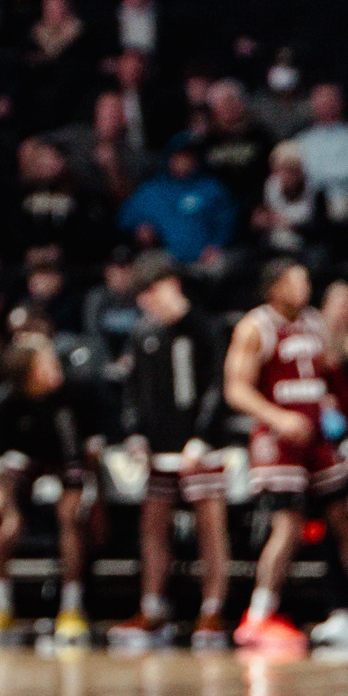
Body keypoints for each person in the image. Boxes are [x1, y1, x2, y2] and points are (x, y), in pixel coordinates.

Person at [225, 259, 348, 655]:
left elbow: (337, 382)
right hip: (278, 437)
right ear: (275, 287)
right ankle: (258, 616)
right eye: (295, 280)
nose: (304, 286)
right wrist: (278, 418)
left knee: (344, 517)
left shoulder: (316, 324)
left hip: (318, 435)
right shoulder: (255, 327)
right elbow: (235, 389)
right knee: (287, 525)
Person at [108, 260, 233, 650]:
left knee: (210, 527)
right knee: (152, 526)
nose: (149, 306)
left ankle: (212, 610)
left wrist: (203, 436)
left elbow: (218, 386)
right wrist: (135, 435)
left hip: (200, 445)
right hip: (160, 446)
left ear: (172, 285)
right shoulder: (144, 333)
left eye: (153, 295)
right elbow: (132, 392)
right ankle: (153, 608)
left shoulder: (204, 329)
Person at [0, 333, 104, 643]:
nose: (55, 367)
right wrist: (11, 508)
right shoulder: (8, 402)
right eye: (46, 363)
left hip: (71, 468)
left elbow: (87, 457)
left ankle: (71, 609)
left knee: (70, 513)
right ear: (28, 372)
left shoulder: (76, 394)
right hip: (22, 472)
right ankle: (0, 606)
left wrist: (96, 500)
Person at [120, 139, 237, 268]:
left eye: (188, 156)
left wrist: (217, 244)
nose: (183, 161)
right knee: (147, 265)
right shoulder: (151, 190)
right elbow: (124, 219)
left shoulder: (212, 188)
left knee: (221, 264)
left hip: (205, 258)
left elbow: (228, 221)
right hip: (165, 257)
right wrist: (140, 229)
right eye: (179, 156)